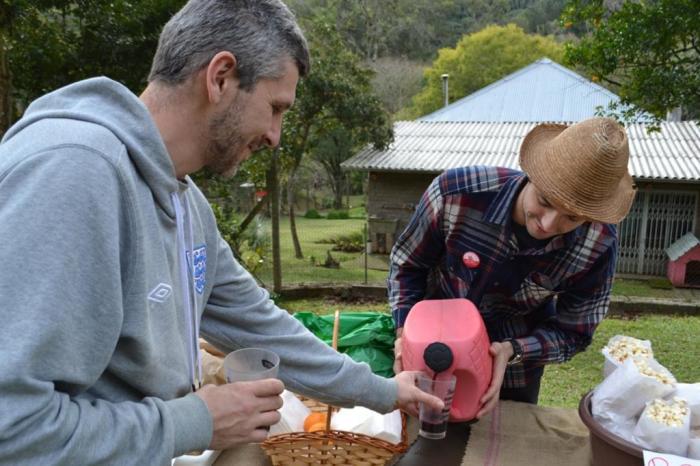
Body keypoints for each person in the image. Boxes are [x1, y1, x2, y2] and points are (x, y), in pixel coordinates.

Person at [0, 1, 441, 465]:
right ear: (221, 77)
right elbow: (13, 425)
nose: (275, 135)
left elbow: (262, 325)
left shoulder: (184, 202)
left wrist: (385, 391)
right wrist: (194, 421)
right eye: (274, 108)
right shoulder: (74, 173)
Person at [389, 117, 636, 418]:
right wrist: (404, 334)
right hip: (430, 352)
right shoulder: (456, 194)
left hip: (514, 373)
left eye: (571, 218)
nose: (548, 224)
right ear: (531, 174)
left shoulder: (598, 243)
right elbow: (408, 265)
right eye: (545, 201)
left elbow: (575, 331)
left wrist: (512, 351)